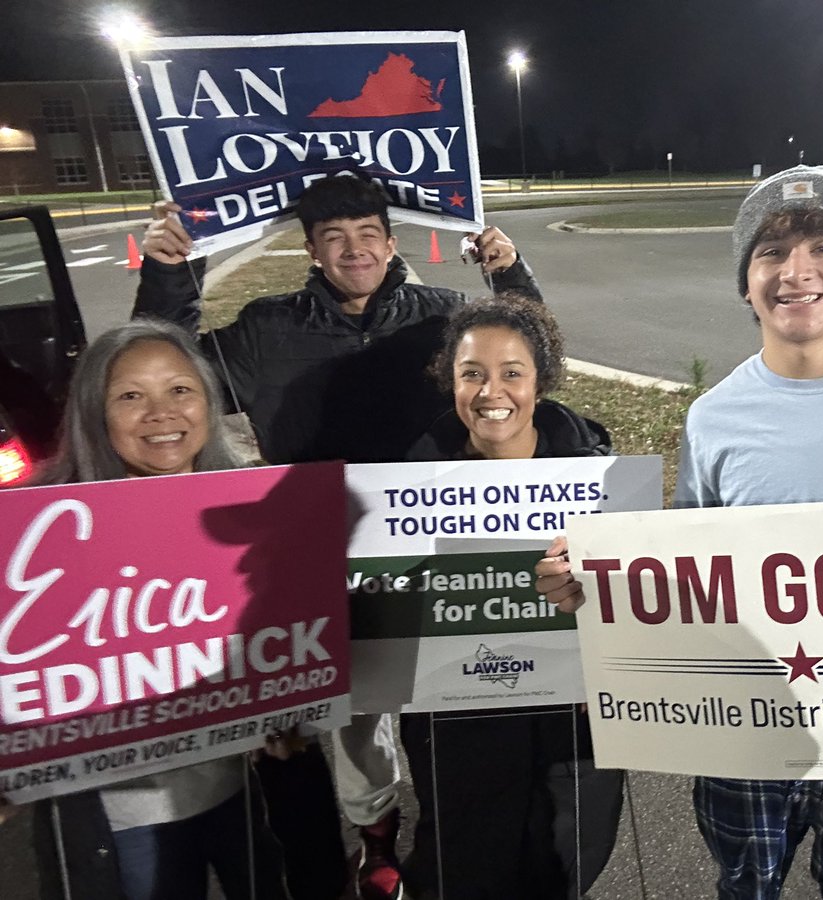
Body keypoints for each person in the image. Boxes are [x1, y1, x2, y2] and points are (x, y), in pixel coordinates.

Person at [537, 164, 823, 900]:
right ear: (745, 283)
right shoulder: (714, 415)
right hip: (749, 731)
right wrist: (598, 585)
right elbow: (692, 571)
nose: (797, 271)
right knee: (742, 886)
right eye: (770, 253)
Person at [133, 173, 544, 899]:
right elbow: (174, 371)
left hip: (433, 545)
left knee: (445, 705)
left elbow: (528, 363)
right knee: (354, 720)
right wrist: (171, 275)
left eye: (367, 235)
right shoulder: (265, 329)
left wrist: (509, 272)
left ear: (390, 242)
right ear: (313, 251)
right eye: (334, 238)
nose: (354, 250)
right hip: (319, 554)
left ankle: (454, 846)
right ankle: (376, 834)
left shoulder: (444, 314)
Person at [22, 318, 288, 900]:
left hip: (233, 791)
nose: (162, 413)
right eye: (130, 396)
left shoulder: (250, 508)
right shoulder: (41, 536)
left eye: (180, 389)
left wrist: (288, 714)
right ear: (95, 413)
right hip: (125, 815)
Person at [398, 293, 623, 900]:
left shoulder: (601, 482)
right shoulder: (403, 491)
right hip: (459, 727)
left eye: (512, 373)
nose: (491, 392)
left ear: (541, 382)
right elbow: (387, 623)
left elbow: (641, 613)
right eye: (472, 373)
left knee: (567, 865)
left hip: (572, 729)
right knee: (467, 869)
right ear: (450, 381)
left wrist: (599, 604)